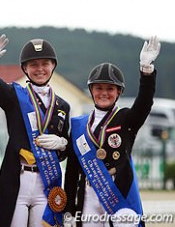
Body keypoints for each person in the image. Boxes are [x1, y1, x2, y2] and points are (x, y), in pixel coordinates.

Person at [64, 36, 161, 227]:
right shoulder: (78, 125)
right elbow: (72, 171)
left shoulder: (126, 118)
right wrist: (68, 207)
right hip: (88, 195)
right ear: (91, 91)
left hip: (118, 193)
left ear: (119, 92)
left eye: (110, 88)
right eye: (99, 88)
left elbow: (144, 104)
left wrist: (146, 71)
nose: (104, 93)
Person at [0, 35, 71, 226]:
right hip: (16, 179)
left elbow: (63, 155)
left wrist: (62, 144)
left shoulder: (63, 106)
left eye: (45, 63)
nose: (40, 69)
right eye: (33, 64)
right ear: (25, 69)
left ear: (53, 66)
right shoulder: (14, 96)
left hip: (46, 182)